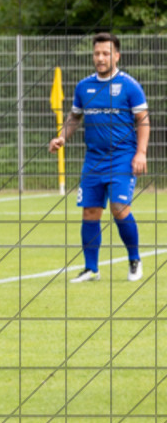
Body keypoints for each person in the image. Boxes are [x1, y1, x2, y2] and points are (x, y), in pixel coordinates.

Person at [48, 32, 149, 283]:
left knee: (119, 208)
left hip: (122, 157)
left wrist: (141, 153)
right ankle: (91, 268)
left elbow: (143, 119)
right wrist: (62, 137)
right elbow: (74, 117)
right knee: (90, 212)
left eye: (106, 53)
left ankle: (134, 259)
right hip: (94, 159)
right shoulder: (84, 87)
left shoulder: (129, 85)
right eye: (97, 53)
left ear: (117, 56)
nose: (101, 58)